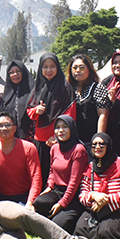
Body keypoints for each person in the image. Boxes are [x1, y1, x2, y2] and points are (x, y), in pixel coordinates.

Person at [74, 133, 120, 239]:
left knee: (106, 232)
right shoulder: (89, 167)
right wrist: (94, 195)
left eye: (101, 144)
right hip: (94, 209)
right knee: (81, 230)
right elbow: (82, 194)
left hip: (115, 210)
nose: (97, 147)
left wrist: (106, 200)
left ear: (108, 145)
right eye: (94, 144)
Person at [32, 115, 89, 234]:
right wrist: (49, 187)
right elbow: (52, 171)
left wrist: (61, 204)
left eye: (65, 127)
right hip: (57, 191)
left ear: (72, 129)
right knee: (39, 202)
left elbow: (74, 182)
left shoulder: (78, 150)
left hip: (73, 195)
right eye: (57, 127)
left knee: (58, 225)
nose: (61, 130)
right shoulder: (55, 148)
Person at [26, 53, 74, 182]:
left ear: (57, 67)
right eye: (45, 67)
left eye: (52, 66)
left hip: (59, 140)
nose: (49, 70)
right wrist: (36, 110)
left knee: (58, 177)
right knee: (41, 175)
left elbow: (70, 114)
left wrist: (57, 136)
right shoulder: (37, 87)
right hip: (40, 140)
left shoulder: (65, 88)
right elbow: (29, 109)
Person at [0, 112, 41, 206]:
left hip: (24, 196)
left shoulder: (28, 148)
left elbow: (36, 177)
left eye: (8, 125)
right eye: (0, 125)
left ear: (15, 128)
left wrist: (30, 202)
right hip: (0, 197)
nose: (4, 128)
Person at [67, 54, 107, 151]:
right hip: (72, 141)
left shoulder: (98, 88)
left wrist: (98, 138)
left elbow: (103, 115)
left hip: (91, 141)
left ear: (89, 69)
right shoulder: (68, 89)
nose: (78, 70)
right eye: (75, 68)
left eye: (82, 67)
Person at [0, 60, 33, 141]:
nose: (15, 74)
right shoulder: (7, 94)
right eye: (11, 72)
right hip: (10, 138)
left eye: (18, 71)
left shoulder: (33, 91)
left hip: (30, 136)